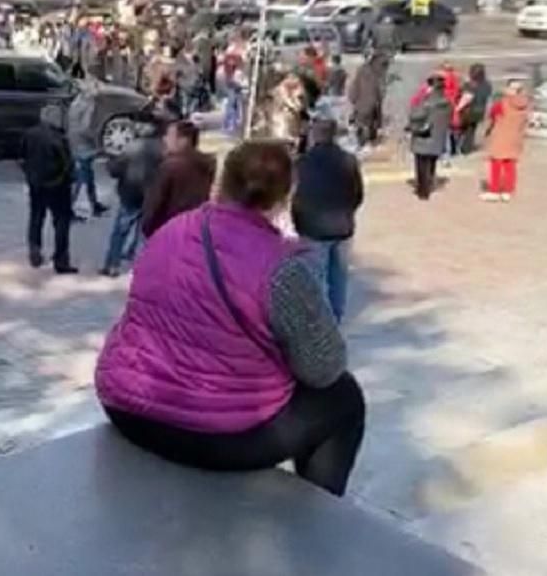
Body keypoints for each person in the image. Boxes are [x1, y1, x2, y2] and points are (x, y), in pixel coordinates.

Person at [95, 141, 364, 497]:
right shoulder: (283, 268)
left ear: (220, 184)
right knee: (344, 399)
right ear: (285, 197)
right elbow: (324, 368)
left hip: (126, 406)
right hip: (216, 436)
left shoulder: (170, 231)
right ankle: (312, 519)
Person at [291, 118, 364, 323]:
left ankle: (319, 322)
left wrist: (299, 222)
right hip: (342, 225)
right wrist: (348, 212)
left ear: (314, 135)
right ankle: (336, 317)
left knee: (316, 276)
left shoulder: (302, 163)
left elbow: (296, 196)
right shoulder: (349, 160)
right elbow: (357, 194)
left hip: (312, 227)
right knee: (339, 277)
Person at [20, 104, 78, 274]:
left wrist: (29, 175)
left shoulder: (29, 134)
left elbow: (22, 157)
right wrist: (68, 180)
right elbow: (68, 165)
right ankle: (61, 260)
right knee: (61, 222)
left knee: (36, 216)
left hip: (36, 184)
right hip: (58, 186)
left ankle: (35, 249)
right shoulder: (59, 139)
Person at [100, 119, 162, 277]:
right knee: (143, 233)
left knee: (120, 231)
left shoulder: (131, 147)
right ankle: (140, 267)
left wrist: (109, 163)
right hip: (151, 195)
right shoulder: (163, 149)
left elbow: (115, 170)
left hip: (130, 193)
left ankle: (112, 265)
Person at [141, 120, 216, 238]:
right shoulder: (205, 165)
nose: (165, 139)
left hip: (167, 231)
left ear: (183, 140)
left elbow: (155, 204)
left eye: (170, 136)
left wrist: (148, 229)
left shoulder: (171, 167)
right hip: (192, 230)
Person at [481, 79, 531, 202]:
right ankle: (508, 191)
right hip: (515, 137)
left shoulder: (501, 103)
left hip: (500, 135)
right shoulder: (525, 103)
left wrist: (486, 131)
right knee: (510, 164)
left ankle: (495, 190)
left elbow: (492, 116)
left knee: (496, 163)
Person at [67, 78, 108, 220]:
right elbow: (85, 127)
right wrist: (95, 141)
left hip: (74, 143)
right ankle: (69, 210)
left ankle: (94, 204)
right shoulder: (89, 105)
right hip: (84, 146)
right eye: (96, 87)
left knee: (85, 177)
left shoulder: (76, 102)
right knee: (80, 179)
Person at [407, 75, 452, 200]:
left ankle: (423, 191)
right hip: (438, 138)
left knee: (421, 165)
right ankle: (430, 183)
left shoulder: (427, 103)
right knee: (431, 163)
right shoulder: (446, 102)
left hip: (424, 137)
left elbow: (415, 115)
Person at [348, 55, 385, 149]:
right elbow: (379, 91)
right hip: (371, 104)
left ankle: (361, 142)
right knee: (371, 123)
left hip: (361, 104)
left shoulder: (361, 72)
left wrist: (353, 99)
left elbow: (354, 88)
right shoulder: (375, 74)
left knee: (361, 123)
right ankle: (371, 142)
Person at [456, 63, 493, 156]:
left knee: (461, 129)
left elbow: (467, 98)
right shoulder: (487, 85)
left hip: (468, 111)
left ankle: (459, 147)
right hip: (480, 111)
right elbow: (488, 98)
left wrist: (457, 108)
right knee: (471, 129)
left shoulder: (470, 85)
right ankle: (468, 147)